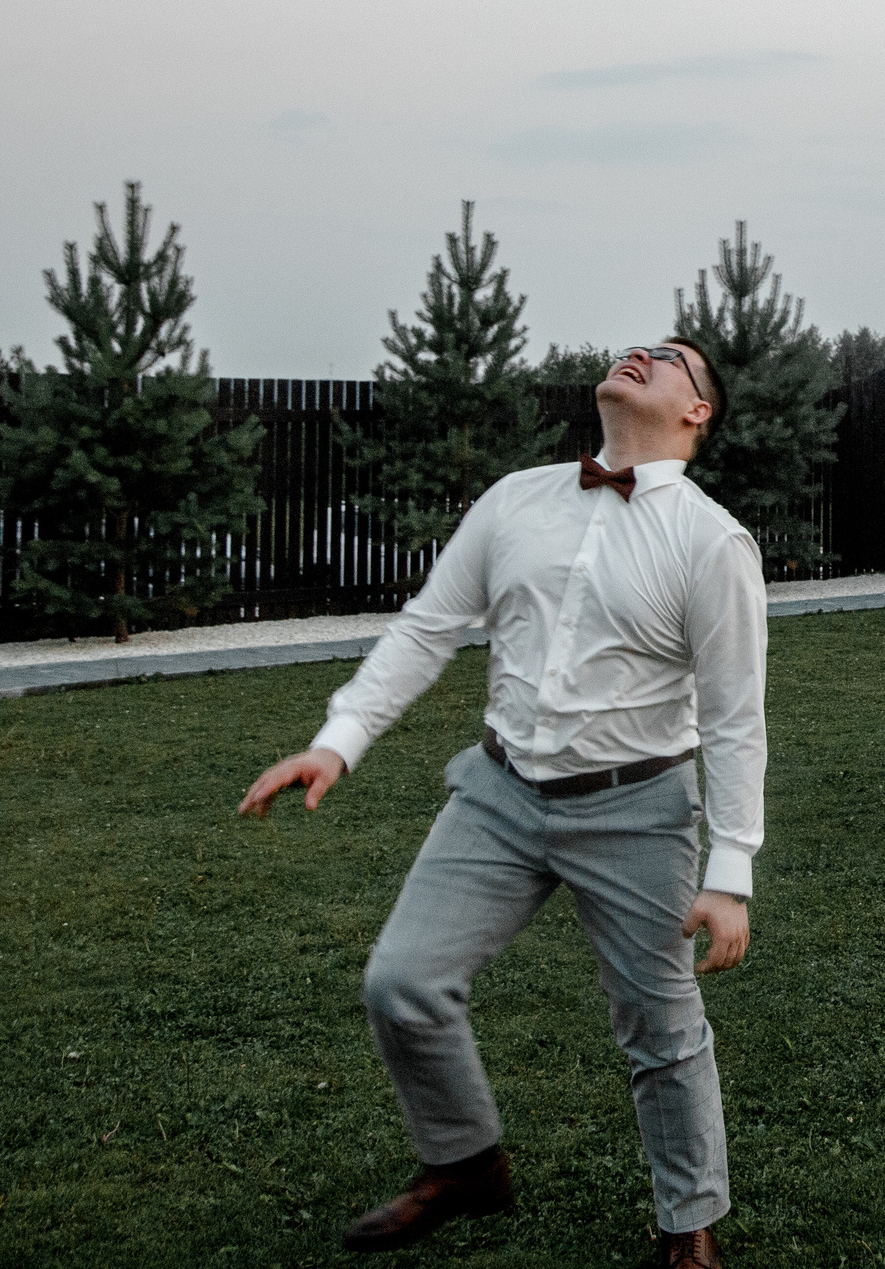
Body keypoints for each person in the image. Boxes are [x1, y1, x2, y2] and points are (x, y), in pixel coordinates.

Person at [236, 340, 758, 1267]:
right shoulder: (517, 498)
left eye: (670, 357)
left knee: (662, 1031)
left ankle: (690, 1233)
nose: (640, 352)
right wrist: (339, 739)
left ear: (697, 413)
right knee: (401, 985)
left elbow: (732, 719)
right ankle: (466, 1164)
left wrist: (729, 873)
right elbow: (428, 627)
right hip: (498, 795)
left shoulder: (712, 540)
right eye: (637, 344)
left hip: (637, 808)